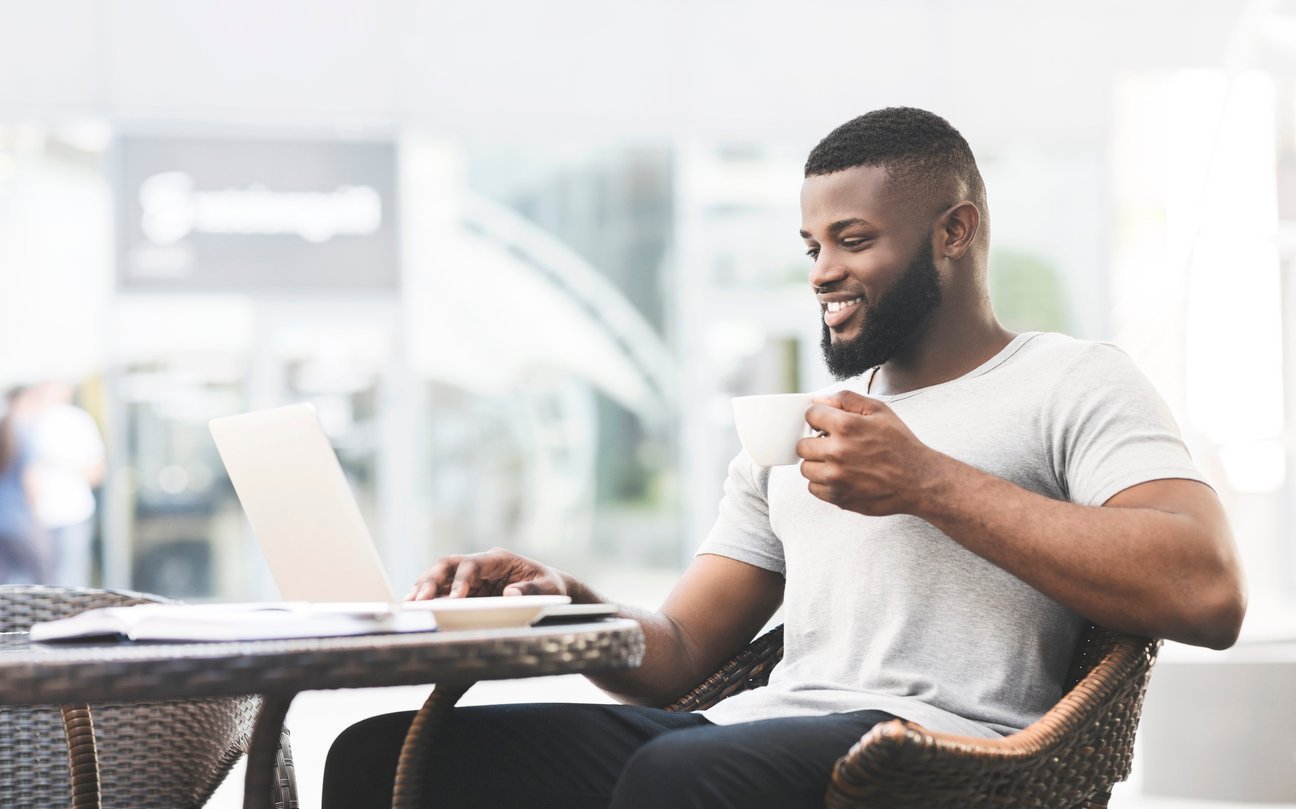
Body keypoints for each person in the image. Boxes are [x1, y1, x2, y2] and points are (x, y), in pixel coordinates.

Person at [323, 107, 1247, 809]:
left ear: (954, 231)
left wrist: (927, 482)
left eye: (853, 240)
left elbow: (1206, 591)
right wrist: (563, 598)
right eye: (812, 246)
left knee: (680, 767)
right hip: (748, 729)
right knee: (378, 755)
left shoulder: (1070, 380)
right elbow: (680, 655)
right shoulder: (797, 428)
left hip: (940, 746)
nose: (820, 272)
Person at [28, 381, 106, 586]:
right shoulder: (32, 420)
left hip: (71, 514)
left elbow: (97, 471)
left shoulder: (77, 421)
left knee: (65, 583)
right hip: (39, 517)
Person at [0, 386, 47, 584]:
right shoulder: (25, 435)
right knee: (44, 582)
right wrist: (39, 518)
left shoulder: (6, 433)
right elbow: (31, 481)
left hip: (4, 520)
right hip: (20, 521)